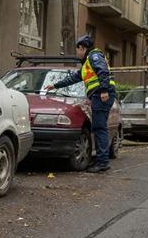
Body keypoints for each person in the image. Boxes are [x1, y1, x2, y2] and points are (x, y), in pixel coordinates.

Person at [45, 35, 117, 173]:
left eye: (77, 50)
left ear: (82, 48)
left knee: (99, 128)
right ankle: (101, 160)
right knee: (98, 128)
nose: (77, 53)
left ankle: (102, 162)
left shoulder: (94, 56)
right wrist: (55, 85)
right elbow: (74, 78)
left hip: (100, 95)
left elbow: (103, 71)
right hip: (98, 95)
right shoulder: (86, 65)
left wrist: (103, 90)